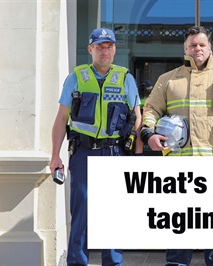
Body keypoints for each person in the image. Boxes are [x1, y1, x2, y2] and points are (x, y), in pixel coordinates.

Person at [140, 26, 213, 265]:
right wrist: (148, 132)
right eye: (192, 45)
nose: (197, 49)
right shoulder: (168, 80)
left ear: (210, 48)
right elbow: (150, 109)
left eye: (202, 44)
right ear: (185, 48)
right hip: (179, 168)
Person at [50, 28, 143, 266]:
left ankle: (113, 263)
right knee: (81, 211)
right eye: (100, 46)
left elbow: (137, 115)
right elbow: (61, 118)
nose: (105, 51)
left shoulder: (125, 78)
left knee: (112, 213)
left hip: (114, 152)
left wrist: (134, 147)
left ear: (114, 49)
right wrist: (55, 156)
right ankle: (77, 262)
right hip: (83, 153)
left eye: (109, 46)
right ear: (90, 49)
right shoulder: (76, 77)